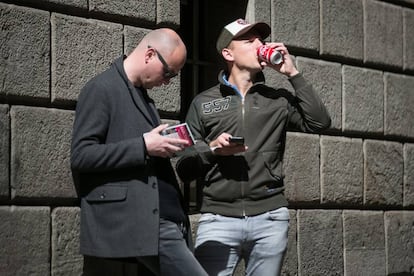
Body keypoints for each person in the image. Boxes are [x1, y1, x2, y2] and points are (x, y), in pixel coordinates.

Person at [176, 19, 331, 276]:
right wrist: (212, 150)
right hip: (218, 220)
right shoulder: (203, 102)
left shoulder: (278, 99)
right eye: (249, 41)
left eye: (261, 40)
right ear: (228, 53)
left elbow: (319, 123)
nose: (260, 45)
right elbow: (183, 165)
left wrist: (293, 74)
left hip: (270, 218)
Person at [71, 28, 207, 276]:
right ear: (150, 55)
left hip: (164, 220)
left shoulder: (143, 97)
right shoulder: (101, 88)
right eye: (167, 73)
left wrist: (161, 148)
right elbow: (82, 155)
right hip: (141, 224)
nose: (167, 81)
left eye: (173, 76)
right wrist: (143, 146)